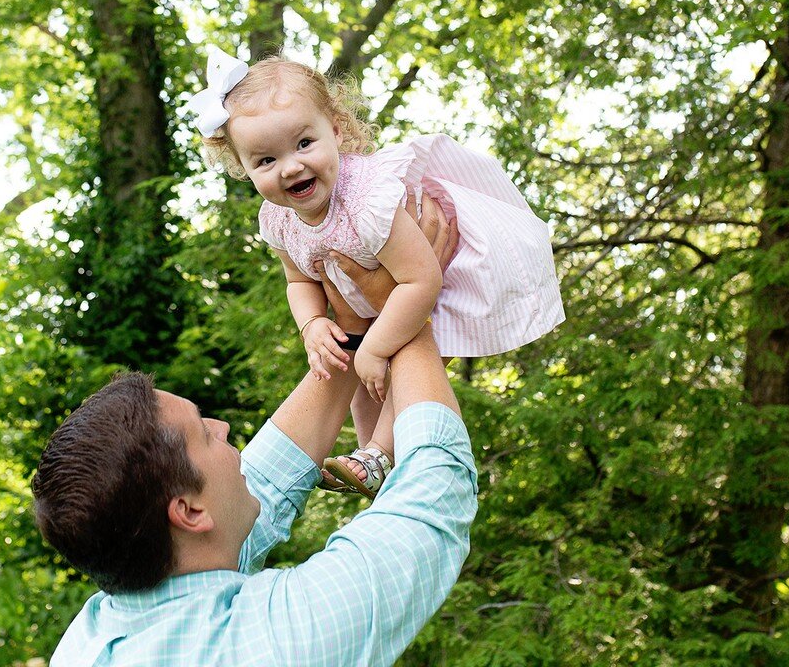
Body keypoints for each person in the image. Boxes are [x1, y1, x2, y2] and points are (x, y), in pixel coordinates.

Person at [31, 200, 476, 666]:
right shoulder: (278, 639)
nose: (222, 427)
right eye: (205, 434)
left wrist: (353, 326)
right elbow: (434, 490)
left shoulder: (98, 633)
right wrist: (405, 304)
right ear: (187, 510)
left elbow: (262, 486)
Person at [191, 47, 563, 497]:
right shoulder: (278, 219)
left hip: (436, 278)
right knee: (359, 374)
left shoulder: (366, 199)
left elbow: (421, 281)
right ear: (244, 169)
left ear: (335, 129)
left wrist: (376, 346)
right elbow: (299, 280)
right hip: (377, 299)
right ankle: (370, 460)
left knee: (386, 357)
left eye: (304, 143)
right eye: (265, 160)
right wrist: (311, 323)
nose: (290, 166)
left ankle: (378, 456)